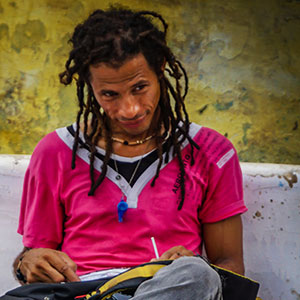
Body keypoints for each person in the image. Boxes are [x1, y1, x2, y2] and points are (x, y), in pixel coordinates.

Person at [13, 7, 247, 299]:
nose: (130, 109)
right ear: (90, 86)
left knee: (197, 274)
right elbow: (34, 258)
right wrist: (28, 262)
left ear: (160, 68)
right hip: (84, 293)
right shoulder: (55, 152)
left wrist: (193, 263)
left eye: (139, 87)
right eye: (110, 94)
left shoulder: (211, 152)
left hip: (167, 288)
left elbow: (231, 268)